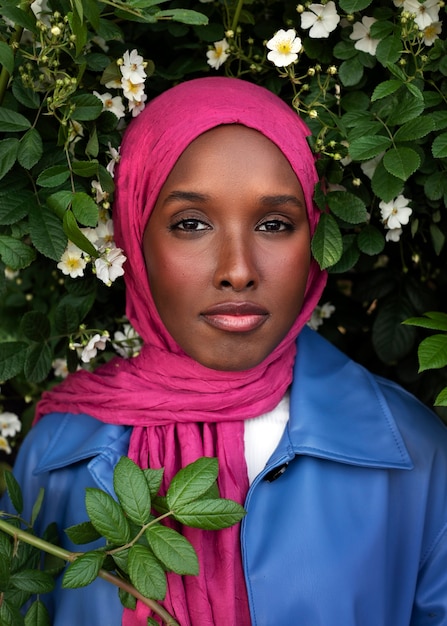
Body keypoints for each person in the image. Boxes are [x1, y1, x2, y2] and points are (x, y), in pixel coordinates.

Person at [2, 77, 447, 626]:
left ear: (314, 240)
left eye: (274, 224)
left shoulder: (417, 457)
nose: (237, 269)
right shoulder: (54, 457)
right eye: (191, 224)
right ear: (135, 238)